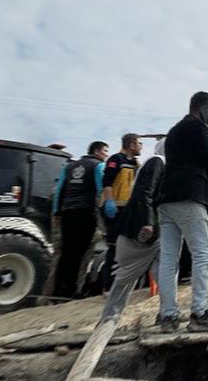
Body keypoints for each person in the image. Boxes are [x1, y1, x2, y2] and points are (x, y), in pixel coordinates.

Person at [156, 91, 208, 331]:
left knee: (169, 259)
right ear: (202, 109)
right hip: (190, 197)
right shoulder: (195, 126)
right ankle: (199, 313)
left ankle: (168, 316)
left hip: (166, 199)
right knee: (202, 254)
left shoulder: (175, 131)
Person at [100, 140, 166, 321]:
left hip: (153, 228)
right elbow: (145, 192)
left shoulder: (159, 164)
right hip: (140, 228)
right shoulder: (158, 161)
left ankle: (168, 313)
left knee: (164, 270)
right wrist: (148, 222)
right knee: (127, 276)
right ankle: (110, 317)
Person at [51, 140, 108, 299]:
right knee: (80, 253)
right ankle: (71, 291)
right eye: (105, 150)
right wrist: (103, 213)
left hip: (67, 213)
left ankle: (58, 291)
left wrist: (57, 212)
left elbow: (59, 190)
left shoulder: (69, 166)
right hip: (86, 213)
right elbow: (101, 190)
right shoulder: (98, 166)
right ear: (96, 151)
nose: (106, 154)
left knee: (66, 252)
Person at [100, 134, 143, 291]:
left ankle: (123, 283)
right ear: (131, 145)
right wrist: (109, 201)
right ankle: (108, 286)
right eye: (139, 143)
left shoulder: (134, 163)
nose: (141, 146)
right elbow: (107, 182)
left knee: (127, 246)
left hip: (128, 209)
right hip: (115, 208)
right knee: (114, 246)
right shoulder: (116, 159)